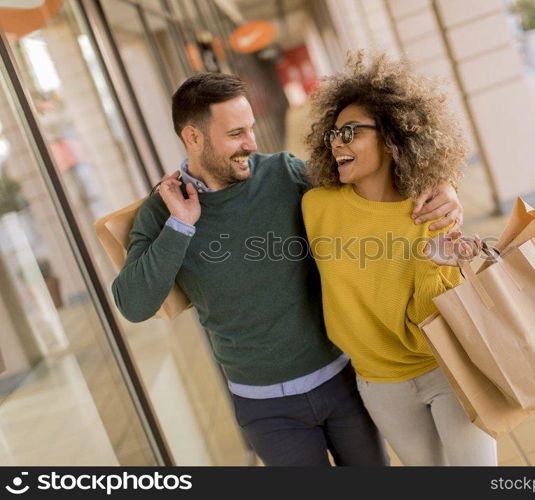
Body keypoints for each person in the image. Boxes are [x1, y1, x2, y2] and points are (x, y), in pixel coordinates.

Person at [111, 71, 464, 466]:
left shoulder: (282, 172)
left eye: (251, 129)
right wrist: (180, 226)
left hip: (343, 382)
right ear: (193, 138)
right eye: (235, 134)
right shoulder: (162, 211)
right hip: (265, 409)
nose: (250, 143)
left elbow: (371, 178)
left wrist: (442, 185)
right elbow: (134, 305)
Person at [301, 53, 498, 466]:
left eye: (351, 131)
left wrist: (433, 263)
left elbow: (429, 323)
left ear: (392, 137)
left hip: (446, 366)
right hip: (379, 382)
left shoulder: (432, 210)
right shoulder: (316, 206)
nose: (338, 142)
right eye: (334, 134)